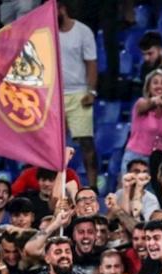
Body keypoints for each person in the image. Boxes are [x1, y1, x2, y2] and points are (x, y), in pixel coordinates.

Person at [57, 1, 99, 185]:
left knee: (86, 143)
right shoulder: (47, 33)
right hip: (55, 95)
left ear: (62, 9)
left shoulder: (83, 31)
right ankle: (57, 186)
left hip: (79, 93)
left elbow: (91, 63)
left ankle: (93, 186)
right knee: (55, 144)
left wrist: (91, 91)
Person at [124, 69, 162, 175]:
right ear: (148, 87)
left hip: (157, 160)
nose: (159, 86)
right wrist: (159, 101)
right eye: (155, 83)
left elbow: (159, 136)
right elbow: (150, 104)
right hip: (136, 157)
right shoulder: (141, 104)